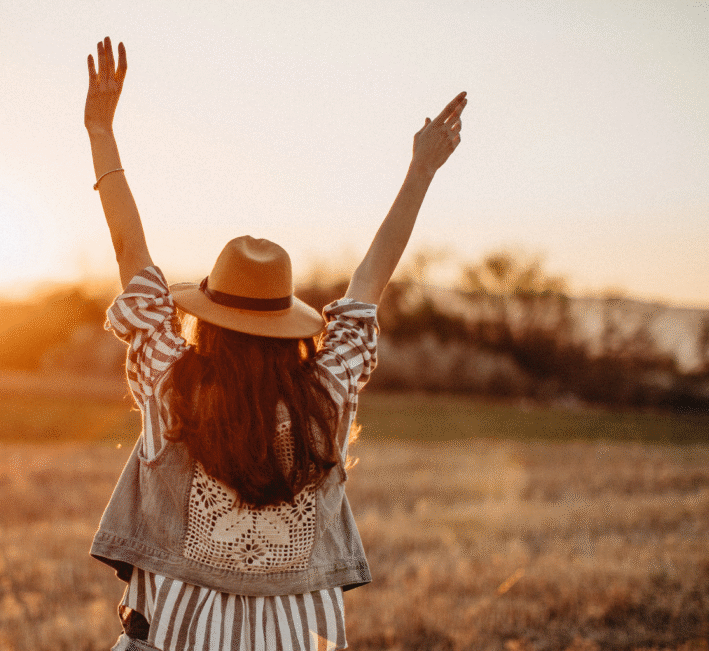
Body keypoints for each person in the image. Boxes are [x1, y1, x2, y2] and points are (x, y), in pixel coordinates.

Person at [85, 37, 465, 651]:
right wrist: (421, 171)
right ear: (288, 326)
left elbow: (131, 252)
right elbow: (370, 282)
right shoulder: (328, 392)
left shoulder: (169, 381)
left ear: (207, 317)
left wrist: (101, 131)